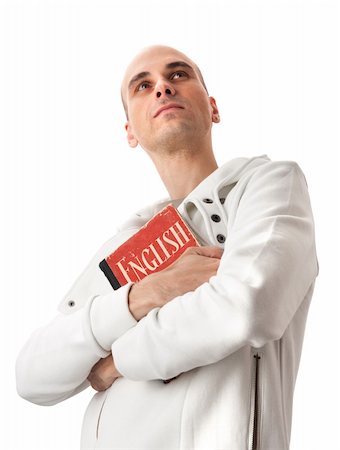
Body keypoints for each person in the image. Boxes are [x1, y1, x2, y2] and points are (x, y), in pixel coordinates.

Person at [16, 45, 319, 450]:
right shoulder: (126, 241)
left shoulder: (268, 185)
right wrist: (146, 294)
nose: (162, 87)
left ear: (212, 108)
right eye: (143, 85)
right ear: (130, 132)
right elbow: (33, 376)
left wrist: (117, 361)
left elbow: (248, 307)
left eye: (178, 75)